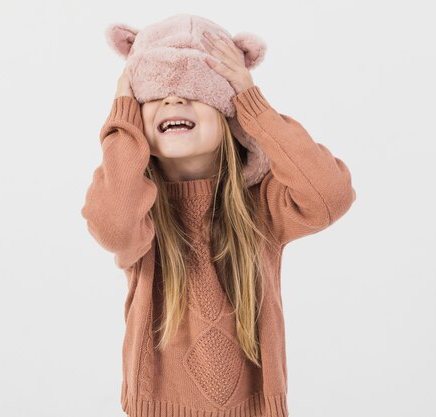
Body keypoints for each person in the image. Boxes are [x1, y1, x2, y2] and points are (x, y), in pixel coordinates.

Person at [81, 14, 356, 417]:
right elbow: (113, 226)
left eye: (195, 91)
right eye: (156, 93)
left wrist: (253, 104)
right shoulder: (139, 207)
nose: (174, 100)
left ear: (230, 118)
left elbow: (331, 195)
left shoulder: (261, 205)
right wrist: (122, 117)